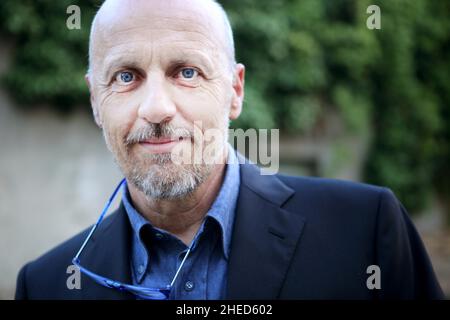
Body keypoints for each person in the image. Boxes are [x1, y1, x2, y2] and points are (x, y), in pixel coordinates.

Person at [15, 0, 443, 300]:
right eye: (126, 77)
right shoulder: (46, 284)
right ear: (95, 101)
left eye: (187, 71)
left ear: (235, 91)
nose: (157, 109)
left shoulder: (365, 233)